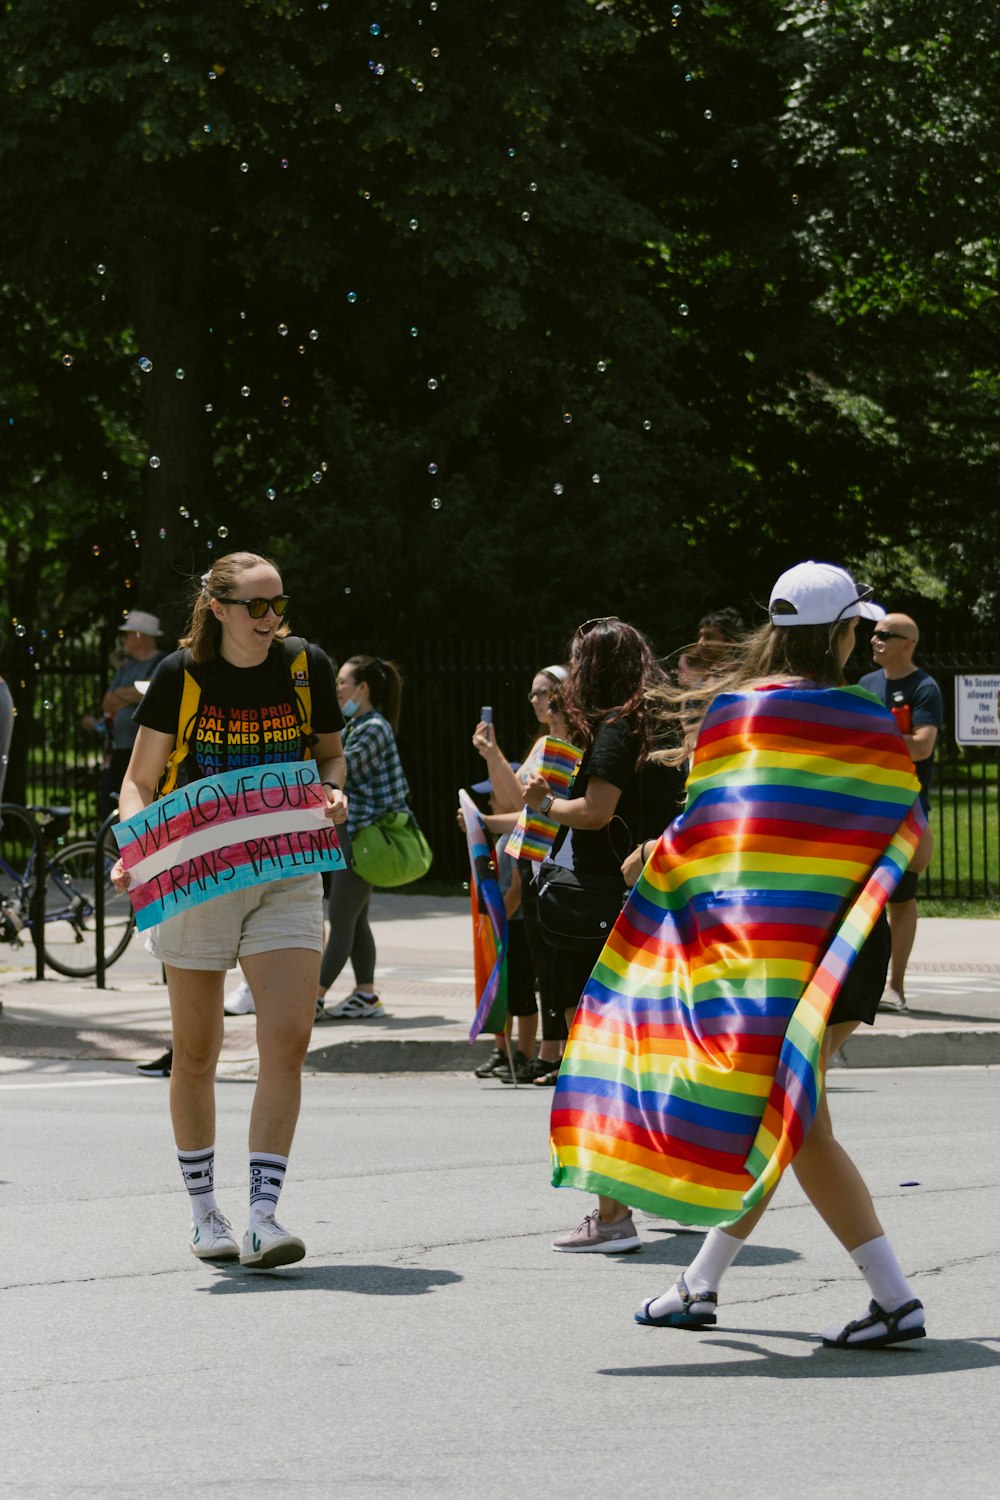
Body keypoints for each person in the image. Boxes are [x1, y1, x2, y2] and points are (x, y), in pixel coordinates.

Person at [550, 563, 932, 1347]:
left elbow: (711, 827)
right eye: (859, 626)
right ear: (842, 632)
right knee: (787, 1118)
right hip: (843, 945)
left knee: (788, 1119)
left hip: (759, 959)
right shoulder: (865, 721)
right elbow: (909, 838)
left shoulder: (737, 715)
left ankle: (884, 1300)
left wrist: (665, 858)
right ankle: (704, 1283)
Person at [111, 551, 348, 1268]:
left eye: (280, 604)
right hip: (196, 875)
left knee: (288, 1038)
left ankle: (264, 1216)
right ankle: (203, 1211)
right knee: (198, 1051)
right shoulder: (182, 676)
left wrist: (335, 792)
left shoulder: (306, 668)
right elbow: (139, 781)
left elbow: (331, 757)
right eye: (256, 606)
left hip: (288, 871)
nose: (272, 620)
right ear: (218, 607)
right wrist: (136, 848)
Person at [523, 617, 685, 1249]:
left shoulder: (619, 729)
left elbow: (595, 813)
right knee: (642, 1054)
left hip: (606, 911)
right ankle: (655, 1187)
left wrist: (544, 804)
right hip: (653, 903)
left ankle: (612, 1216)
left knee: (599, 1060)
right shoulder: (665, 724)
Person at [471, 665, 574, 1083]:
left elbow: (526, 806)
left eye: (543, 693)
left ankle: (556, 1054)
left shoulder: (564, 745)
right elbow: (516, 801)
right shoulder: (544, 744)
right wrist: (491, 754)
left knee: (554, 964)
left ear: (564, 695)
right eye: (531, 693)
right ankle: (551, 1053)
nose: (535, 700)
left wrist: (493, 756)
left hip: (555, 861)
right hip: (535, 859)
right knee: (545, 964)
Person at [314, 655, 412, 1021]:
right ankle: (366, 995)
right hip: (357, 835)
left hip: (366, 837)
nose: (337, 689)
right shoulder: (358, 724)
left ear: (362, 688)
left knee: (340, 919)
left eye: (342, 682)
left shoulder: (372, 727)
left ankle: (314, 998)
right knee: (356, 920)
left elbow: (343, 767)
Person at [859, 614, 943, 1012]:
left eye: (884, 635)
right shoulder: (865, 685)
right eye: (874, 633)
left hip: (905, 810)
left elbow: (923, 746)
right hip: (864, 807)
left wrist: (873, 740)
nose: (874, 639)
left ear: (907, 643)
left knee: (900, 898)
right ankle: (859, 987)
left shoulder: (924, 687)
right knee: (860, 899)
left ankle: (896, 987)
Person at [84, 611, 167, 822]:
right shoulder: (125, 668)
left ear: (139, 635)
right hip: (117, 751)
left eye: (127, 634)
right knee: (110, 806)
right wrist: (133, 694)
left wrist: (125, 694)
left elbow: (151, 694)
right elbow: (108, 701)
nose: (123, 640)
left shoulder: (162, 664)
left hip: (144, 751)